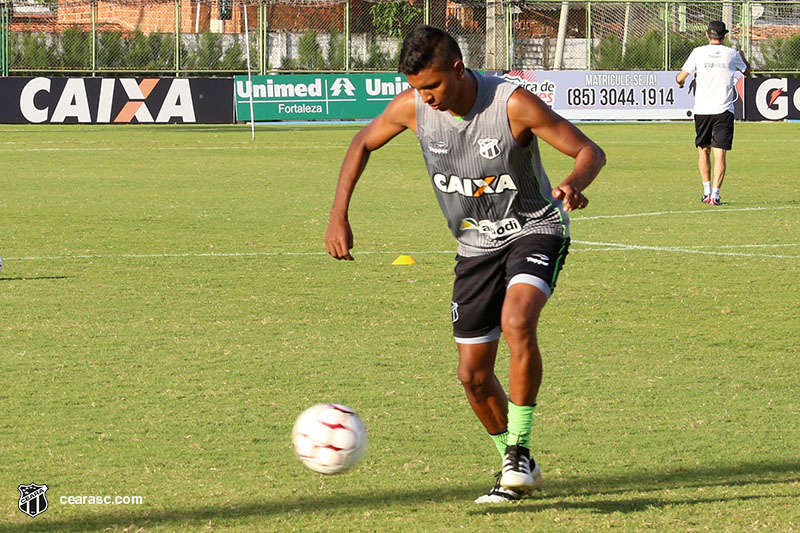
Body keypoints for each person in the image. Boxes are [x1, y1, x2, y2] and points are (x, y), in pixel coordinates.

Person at [325, 26, 605, 503]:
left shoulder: (511, 104)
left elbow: (589, 151)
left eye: (432, 85)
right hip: (474, 246)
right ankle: (517, 464)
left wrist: (575, 182)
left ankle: (518, 451)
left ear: (458, 69)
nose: (425, 97)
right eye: (417, 88)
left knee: (517, 320)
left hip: (534, 228)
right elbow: (362, 143)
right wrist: (338, 214)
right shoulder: (413, 108)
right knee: (472, 375)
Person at [676, 20, 751, 206]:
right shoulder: (732, 54)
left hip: (702, 110)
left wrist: (680, 83)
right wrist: (743, 58)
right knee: (720, 153)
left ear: (707, 35)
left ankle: (706, 191)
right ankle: (715, 196)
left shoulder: (698, 52)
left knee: (703, 149)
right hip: (723, 110)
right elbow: (747, 72)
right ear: (724, 36)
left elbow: (681, 77)